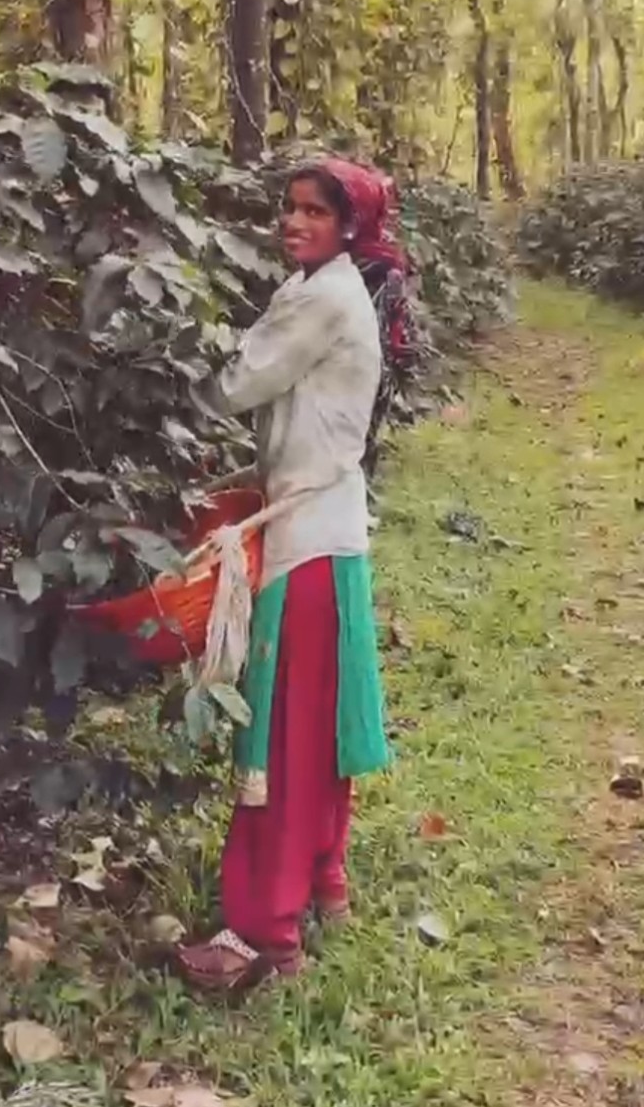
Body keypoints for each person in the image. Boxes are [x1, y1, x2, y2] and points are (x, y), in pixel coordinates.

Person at [176, 158, 402, 994]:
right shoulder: (336, 287)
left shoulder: (319, 298)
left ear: (349, 227)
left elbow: (234, 384)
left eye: (314, 211)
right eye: (290, 206)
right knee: (322, 727)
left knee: (279, 736)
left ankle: (265, 930)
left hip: (306, 540)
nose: (293, 221)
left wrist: (175, 349)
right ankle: (323, 883)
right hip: (333, 528)